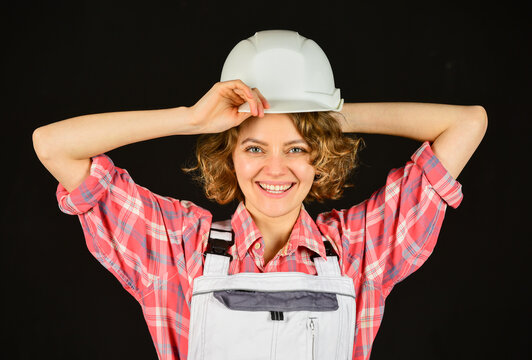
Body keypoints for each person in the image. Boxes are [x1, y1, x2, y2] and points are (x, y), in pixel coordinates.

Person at [32, 30, 487, 360]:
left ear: (320, 157)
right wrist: (191, 118)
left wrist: (325, 115)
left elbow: (468, 123)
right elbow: (53, 146)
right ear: (229, 155)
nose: (275, 169)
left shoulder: (359, 249)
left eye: (297, 148)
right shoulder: (176, 247)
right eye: (254, 147)